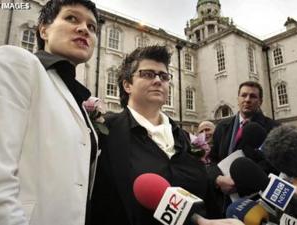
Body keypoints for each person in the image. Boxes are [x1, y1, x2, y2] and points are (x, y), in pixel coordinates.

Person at [0, 0, 99, 225]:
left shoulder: (77, 99)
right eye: (71, 18)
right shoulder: (15, 61)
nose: (84, 29)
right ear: (44, 30)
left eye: (92, 26)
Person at [91, 45, 219, 225]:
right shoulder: (105, 131)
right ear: (127, 85)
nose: (158, 80)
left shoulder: (184, 138)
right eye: (148, 74)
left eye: (164, 76)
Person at [207, 81, 279, 212]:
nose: (247, 100)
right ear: (238, 99)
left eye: (253, 96)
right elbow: (212, 160)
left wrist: (240, 184)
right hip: (223, 201)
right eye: (243, 95)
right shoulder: (222, 126)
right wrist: (218, 179)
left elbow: (273, 166)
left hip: (256, 202)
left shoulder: (274, 129)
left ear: (260, 101)